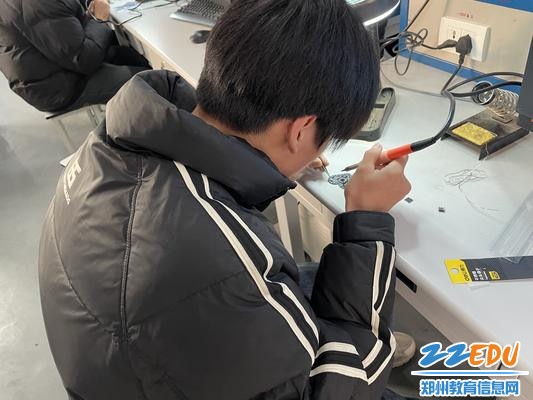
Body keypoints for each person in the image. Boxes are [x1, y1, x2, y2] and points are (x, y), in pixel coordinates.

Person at [38, 0, 411, 399]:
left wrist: (272, 163)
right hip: (163, 349)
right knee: (368, 356)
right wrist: (366, 220)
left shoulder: (118, 139)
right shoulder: (224, 265)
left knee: (317, 276)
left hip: (130, 353)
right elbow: (347, 389)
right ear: (300, 130)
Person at [0, 0, 149, 112]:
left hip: (58, 65)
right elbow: (84, 59)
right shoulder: (38, 4)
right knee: (150, 79)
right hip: (57, 88)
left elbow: (68, 12)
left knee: (132, 55)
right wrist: (98, 19)